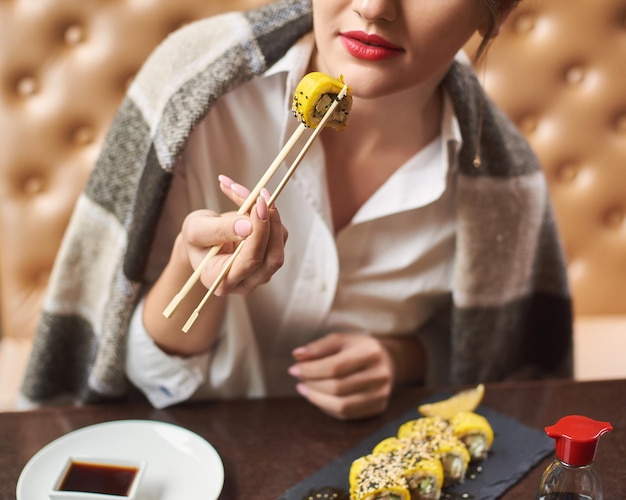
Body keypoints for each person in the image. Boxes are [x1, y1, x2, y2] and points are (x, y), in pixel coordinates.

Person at [21, 0, 573, 420]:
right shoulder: (192, 92)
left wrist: (403, 359)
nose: (374, 7)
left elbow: (491, 367)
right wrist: (191, 273)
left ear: (494, 14)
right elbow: (136, 370)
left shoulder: (503, 181)